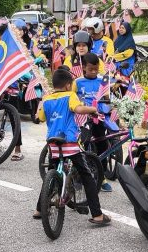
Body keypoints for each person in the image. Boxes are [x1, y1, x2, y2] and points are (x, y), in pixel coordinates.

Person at [36, 67, 110, 226]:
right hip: (69, 142)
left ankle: (38, 209)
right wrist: (92, 109)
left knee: (51, 173)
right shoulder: (70, 95)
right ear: (69, 85)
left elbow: (40, 117)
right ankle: (97, 215)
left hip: (53, 145)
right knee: (87, 176)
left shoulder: (47, 99)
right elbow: (78, 109)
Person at [74, 53, 115, 192]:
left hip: (98, 118)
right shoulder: (77, 82)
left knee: (102, 145)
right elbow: (72, 99)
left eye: (96, 69)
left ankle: (101, 176)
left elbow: (107, 98)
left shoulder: (101, 80)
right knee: (82, 147)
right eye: (90, 69)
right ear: (83, 67)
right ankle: (78, 176)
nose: (94, 72)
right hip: (83, 119)